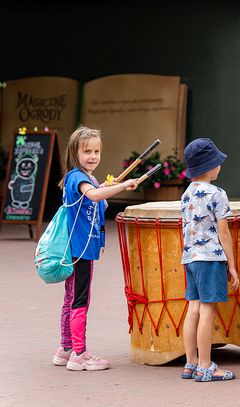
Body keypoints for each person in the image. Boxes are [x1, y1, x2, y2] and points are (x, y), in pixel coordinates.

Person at [53, 126, 138, 371]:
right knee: (80, 301)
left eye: (97, 151)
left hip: (80, 248)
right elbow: (94, 196)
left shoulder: (86, 178)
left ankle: (66, 348)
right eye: (87, 151)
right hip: (79, 249)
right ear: (74, 153)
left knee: (71, 298)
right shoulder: (78, 178)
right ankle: (80, 354)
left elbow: (96, 194)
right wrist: (123, 186)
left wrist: (108, 186)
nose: (93, 156)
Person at [180, 138, 240, 382]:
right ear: (210, 166)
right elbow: (224, 232)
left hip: (190, 258)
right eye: (218, 162)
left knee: (193, 308)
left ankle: (190, 363)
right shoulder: (218, 193)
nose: (220, 166)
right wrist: (232, 265)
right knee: (207, 311)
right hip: (210, 258)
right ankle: (206, 366)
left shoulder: (186, 194)